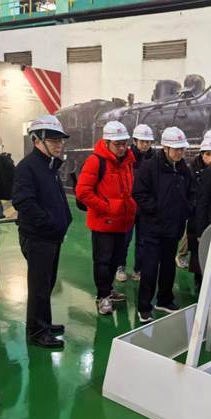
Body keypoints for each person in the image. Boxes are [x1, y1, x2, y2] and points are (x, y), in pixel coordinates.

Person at [12, 115, 72, 348]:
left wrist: (63, 221)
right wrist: (49, 223)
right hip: (38, 237)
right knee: (39, 286)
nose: (60, 144)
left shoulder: (49, 166)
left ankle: (42, 323)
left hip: (51, 236)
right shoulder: (27, 167)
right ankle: (37, 331)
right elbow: (23, 202)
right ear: (37, 140)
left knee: (47, 283)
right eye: (54, 140)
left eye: (61, 140)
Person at [133, 127, 194, 323]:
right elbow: (139, 193)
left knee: (169, 267)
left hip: (173, 229)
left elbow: (192, 192)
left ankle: (165, 300)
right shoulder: (149, 167)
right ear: (165, 148)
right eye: (176, 149)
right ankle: (144, 307)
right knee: (149, 269)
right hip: (153, 228)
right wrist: (156, 210)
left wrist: (186, 210)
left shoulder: (183, 169)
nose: (179, 153)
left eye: (182, 149)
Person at [76, 121, 136, 315]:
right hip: (103, 223)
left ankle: (109, 290)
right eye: (117, 144)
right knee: (102, 261)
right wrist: (107, 208)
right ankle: (103, 297)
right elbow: (83, 192)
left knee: (115, 260)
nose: (122, 148)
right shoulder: (96, 161)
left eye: (124, 143)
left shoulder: (127, 162)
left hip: (121, 222)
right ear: (107, 142)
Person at [115, 123, 155, 282]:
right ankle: (120, 266)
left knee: (143, 241)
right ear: (135, 141)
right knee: (124, 239)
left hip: (145, 207)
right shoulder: (126, 157)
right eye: (142, 141)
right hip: (128, 206)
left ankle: (139, 269)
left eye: (148, 142)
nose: (145, 144)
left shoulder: (155, 158)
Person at [187, 129, 211, 288]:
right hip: (197, 215)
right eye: (208, 154)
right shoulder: (192, 170)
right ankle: (198, 279)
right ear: (201, 154)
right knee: (197, 249)